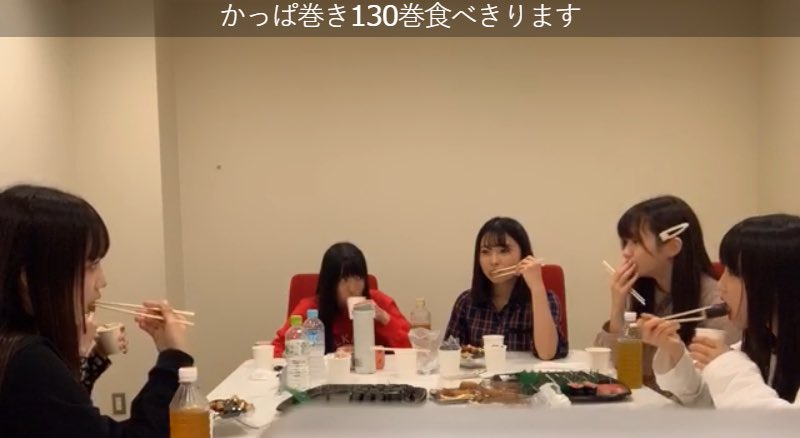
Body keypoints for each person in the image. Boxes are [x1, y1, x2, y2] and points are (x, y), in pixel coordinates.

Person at [0, 184, 193, 437]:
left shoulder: (15, 347)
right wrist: (174, 358)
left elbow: (69, 425)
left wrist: (87, 357)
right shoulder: (28, 361)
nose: (102, 281)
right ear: (28, 278)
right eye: (91, 265)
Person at [642, 214, 800, 407]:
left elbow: (777, 422)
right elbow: (711, 402)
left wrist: (727, 366)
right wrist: (674, 353)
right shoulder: (762, 341)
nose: (720, 285)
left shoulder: (709, 296)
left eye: (733, 273)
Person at [594, 195, 739, 382]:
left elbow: (713, 382)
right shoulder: (646, 291)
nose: (626, 252)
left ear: (672, 247)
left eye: (635, 242)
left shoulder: (715, 303)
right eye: (625, 242)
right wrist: (617, 308)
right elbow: (618, 366)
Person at [444, 217, 567, 360]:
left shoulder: (546, 299)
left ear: (523, 255)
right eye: (485, 252)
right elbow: (448, 354)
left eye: (504, 251)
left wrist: (537, 286)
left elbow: (547, 354)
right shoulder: (466, 302)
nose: (494, 261)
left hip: (526, 374)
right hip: (480, 374)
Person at [272, 242, 411, 356]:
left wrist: (384, 318)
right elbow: (277, 349)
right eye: (344, 280)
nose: (353, 288)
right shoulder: (311, 310)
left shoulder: (379, 302)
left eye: (358, 278)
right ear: (330, 283)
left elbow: (411, 348)